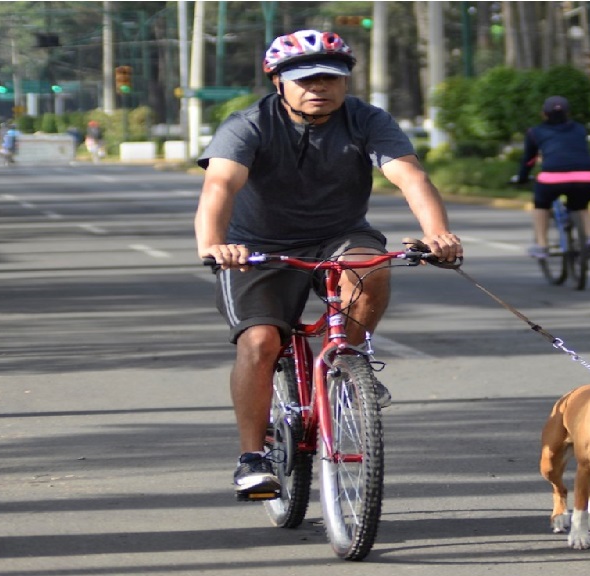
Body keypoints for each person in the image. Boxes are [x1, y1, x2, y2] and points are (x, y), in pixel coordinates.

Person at [194, 29, 463, 499]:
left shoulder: (366, 120)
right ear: (278, 82)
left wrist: (438, 233)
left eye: (330, 78)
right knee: (259, 342)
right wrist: (216, 244)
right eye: (305, 79)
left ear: (345, 82)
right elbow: (220, 186)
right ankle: (253, 456)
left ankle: (346, 363)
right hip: (257, 243)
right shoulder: (248, 124)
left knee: (371, 266)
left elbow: (411, 177)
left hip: (340, 235)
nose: (319, 87)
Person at [514, 95, 590, 259]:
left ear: (544, 114)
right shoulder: (580, 129)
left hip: (553, 177)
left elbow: (529, 160)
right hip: (588, 176)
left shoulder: (535, 132)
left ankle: (541, 245)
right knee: (582, 206)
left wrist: (521, 177)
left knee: (541, 206)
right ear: (568, 112)